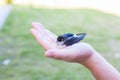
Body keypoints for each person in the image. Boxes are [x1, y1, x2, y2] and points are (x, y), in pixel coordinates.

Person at [30, 22, 120, 80]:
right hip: (72, 36)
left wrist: (89, 56)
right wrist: (90, 57)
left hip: (74, 37)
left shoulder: (67, 40)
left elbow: (74, 38)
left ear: (62, 40)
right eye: (58, 41)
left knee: (70, 40)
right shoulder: (62, 38)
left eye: (59, 41)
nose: (58, 42)